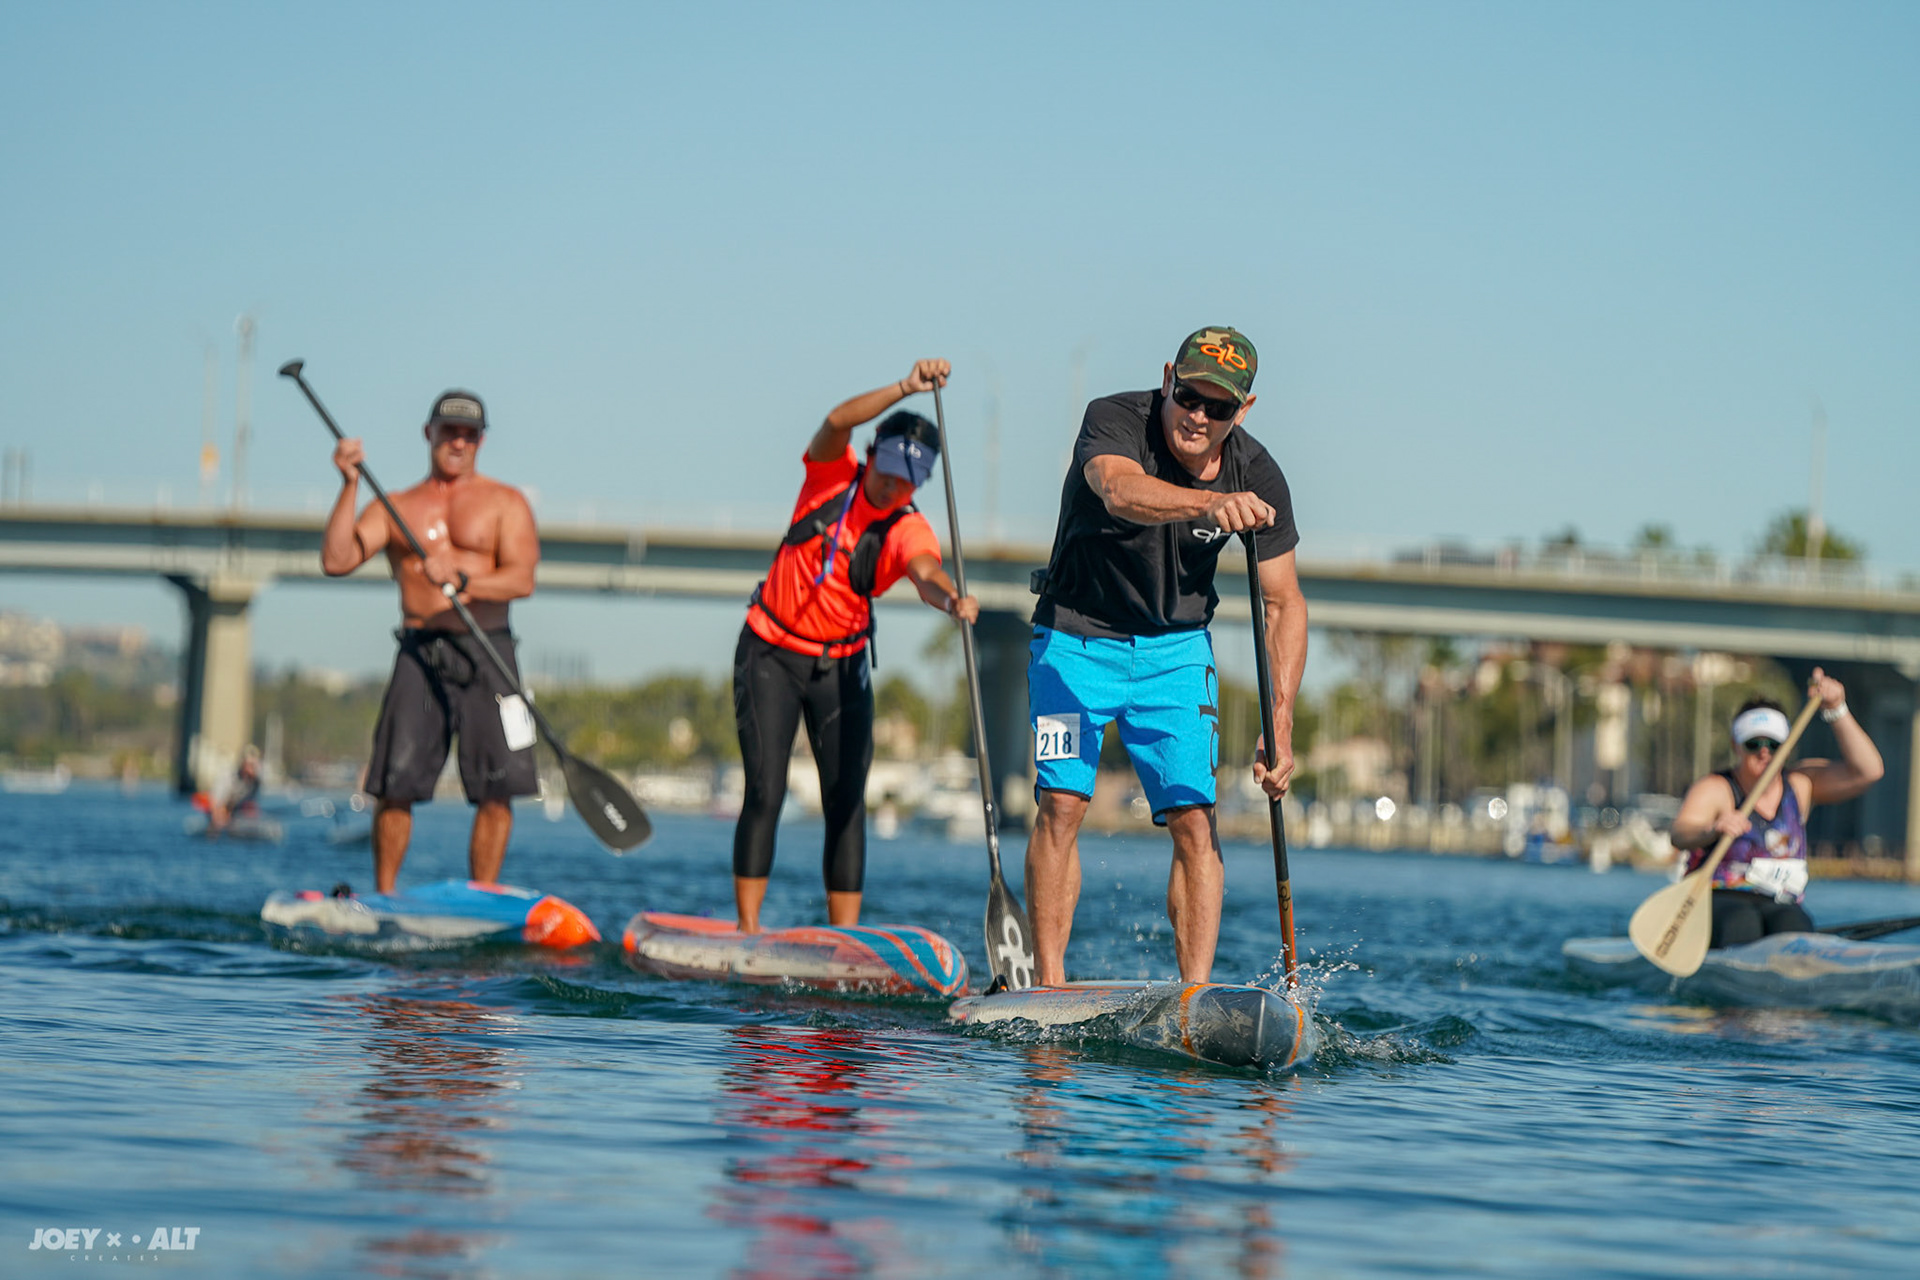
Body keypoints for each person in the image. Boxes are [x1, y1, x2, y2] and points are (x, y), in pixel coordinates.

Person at [1023, 327, 1306, 985]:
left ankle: (1193, 997)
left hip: (1175, 655)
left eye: (1219, 407)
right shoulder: (1114, 420)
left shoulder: (1257, 473)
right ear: (1166, 379)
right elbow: (1118, 490)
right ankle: (1049, 985)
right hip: (1073, 644)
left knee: (1195, 822)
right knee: (1062, 805)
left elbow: (1285, 603)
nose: (1198, 416)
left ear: (1243, 411)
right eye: (1189, 396)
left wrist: (1280, 720)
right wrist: (1211, 504)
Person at [734, 358, 979, 933]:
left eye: (907, 481)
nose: (893, 486)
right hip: (769, 653)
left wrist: (951, 600)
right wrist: (905, 387)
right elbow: (836, 420)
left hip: (840, 669)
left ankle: (843, 939)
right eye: (888, 471)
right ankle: (747, 931)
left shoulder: (908, 527)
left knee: (846, 802)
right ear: (872, 455)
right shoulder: (830, 477)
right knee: (766, 790)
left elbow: (925, 573)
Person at [320, 389, 540, 894]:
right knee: (394, 783)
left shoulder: (506, 503)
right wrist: (349, 485)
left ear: (481, 441)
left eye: (469, 435)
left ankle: (483, 895)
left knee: (498, 787)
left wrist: (464, 579)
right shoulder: (396, 506)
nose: (458, 443)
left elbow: (521, 580)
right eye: (449, 432)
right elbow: (336, 560)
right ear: (428, 433)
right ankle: (385, 895)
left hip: (489, 650)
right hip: (420, 650)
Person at [1668, 668, 1884, 947]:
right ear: (1736, 745)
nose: (1764, 752)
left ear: (1786, 747)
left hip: (1779, 902)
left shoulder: (1801, 785)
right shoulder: (1717, 788)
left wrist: (1837, 709)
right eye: (1753, 744)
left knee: (1794, 925)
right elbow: (1680, 833)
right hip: (1719, 898)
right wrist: (1713, 830)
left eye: (1773, 744)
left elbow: (1869, 771)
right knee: (1741, 922)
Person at [207, 746, 262, 834]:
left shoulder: (256, 783)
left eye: (255, 766)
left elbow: (250, 804)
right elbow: (216, 801)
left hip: (238, 809)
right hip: (221, 805)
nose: (253, 769)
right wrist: (220, 816)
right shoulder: (228, 777)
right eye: (250, 765)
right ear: (243, 764)